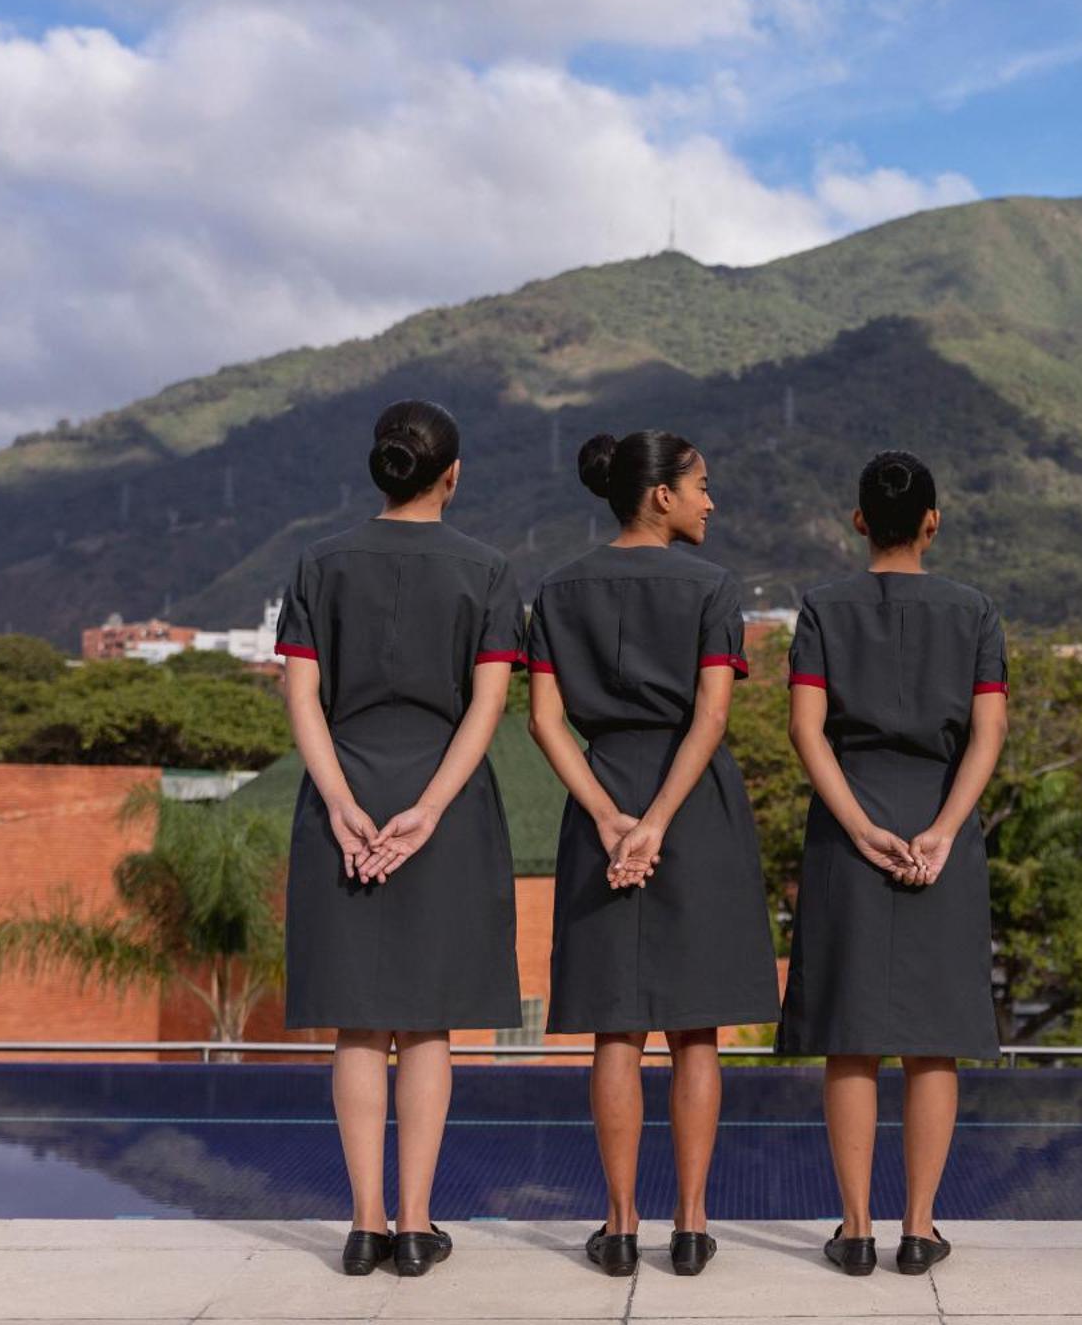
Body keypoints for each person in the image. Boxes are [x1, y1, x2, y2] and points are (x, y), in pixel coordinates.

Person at [275, 399, 524, 1278]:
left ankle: (364, 1224)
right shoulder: (490, 570)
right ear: (451, 473)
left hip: (342, 798)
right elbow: (489, 705)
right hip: (442, 806)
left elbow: (301, 696)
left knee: (357, 1025)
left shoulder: (319, 562)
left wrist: (341, 801)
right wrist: (427, 807)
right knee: (426, 1027)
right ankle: (417, 1227)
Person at [524, 430, 781, 1278]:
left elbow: (544, 720)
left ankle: (621, 1223)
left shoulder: (559, 588)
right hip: (693, 803)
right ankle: (695, 1223)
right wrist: (659, 821)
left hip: (603, 791)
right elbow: (711, 717)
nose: (712, 501)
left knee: (616, 1026)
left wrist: (607, 815)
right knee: (696, 1029)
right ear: (661, 494)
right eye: (702, 485)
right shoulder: (712, 588)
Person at [776, 449, 1009, 1276]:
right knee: (932, 1042)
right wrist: (945, 828)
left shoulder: (822, 609)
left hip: (850, 828)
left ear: (860, 520)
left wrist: (861, 826)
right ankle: (919, 1226)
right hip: (942, 823)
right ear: (934, 523)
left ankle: (856, 1228)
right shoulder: (974, 611)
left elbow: (807, 731)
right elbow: (987, 734)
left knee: (852, 1039)